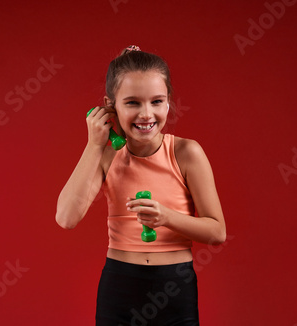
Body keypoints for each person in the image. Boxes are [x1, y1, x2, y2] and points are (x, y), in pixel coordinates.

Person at [56, 45, 226, 325]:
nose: (147, 114)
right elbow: (66, 218)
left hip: (175, 287)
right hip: (119, 286)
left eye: (156, 101)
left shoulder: (186, 153)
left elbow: (217, 231)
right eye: (133, 102)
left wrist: (166, 217)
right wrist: (94, 144)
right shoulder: (106, 153)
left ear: (168, 101)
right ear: (111, 105)